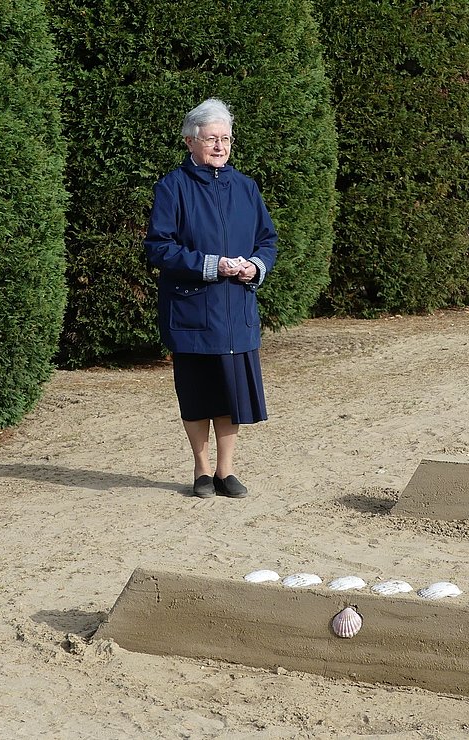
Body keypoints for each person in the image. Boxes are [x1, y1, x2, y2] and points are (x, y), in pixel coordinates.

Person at [143, 98, 278, 499]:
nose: (220, 146)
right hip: (193, 310)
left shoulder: (246, 187)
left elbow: (267, 240)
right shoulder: (172, 187)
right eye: (211, 139)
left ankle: (226, 471)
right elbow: (158, 248)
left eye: (226, 138)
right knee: (199, 394)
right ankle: (202, 471)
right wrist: (210, 264)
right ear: (190, 141)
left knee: (230, 394)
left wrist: (256, 265)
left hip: (236, 309)